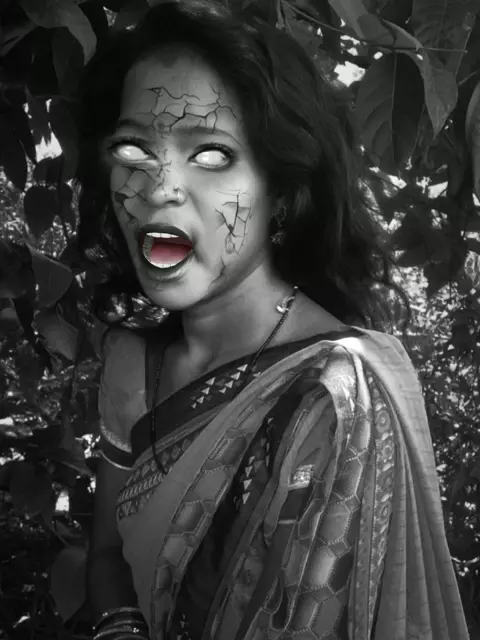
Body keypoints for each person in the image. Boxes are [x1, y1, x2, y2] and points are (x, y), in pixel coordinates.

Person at [74, 1, 469, 639]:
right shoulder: (129, 364)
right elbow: (106, 556)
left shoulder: (337, 396)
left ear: (281, 190)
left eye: (211, 154)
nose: (158, 187)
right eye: (133, 148)